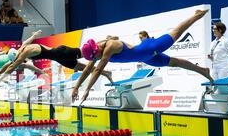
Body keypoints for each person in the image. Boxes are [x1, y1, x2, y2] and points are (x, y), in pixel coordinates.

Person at [71, 9, 214, 103]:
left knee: (176, 33)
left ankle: (196, 16)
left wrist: (88, 89)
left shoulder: (109, 47)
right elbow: (88, 69)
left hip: (149, 48)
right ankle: (203, 71)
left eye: (94, 57)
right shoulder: (97, 52)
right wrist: (77, 87)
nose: (94, 59)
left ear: (95, 50)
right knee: (175, 63)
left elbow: (97, 70)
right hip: (147, 58)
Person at [0, 30, 113, 89]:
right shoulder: (22, 48)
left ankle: (106, 40)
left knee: (89, 49)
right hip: (60, 59)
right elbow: (8, 65)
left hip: (63, 52)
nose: (18, 61)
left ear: (16, 57)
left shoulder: (25, 52)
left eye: (17, 60)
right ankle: (106, 73)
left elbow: (12, 66)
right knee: (83, 68)